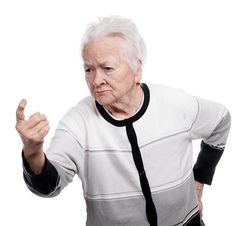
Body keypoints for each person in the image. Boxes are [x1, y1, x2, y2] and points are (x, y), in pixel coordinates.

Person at [15, 16, 231, 226]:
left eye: (107, 68)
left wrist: (200, 179)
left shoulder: (176, 104)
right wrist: (33, 153)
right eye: (88, 70)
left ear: (137, 68)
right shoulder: (77, 122)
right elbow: (50, 186)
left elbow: (221, 120)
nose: (96, 80)